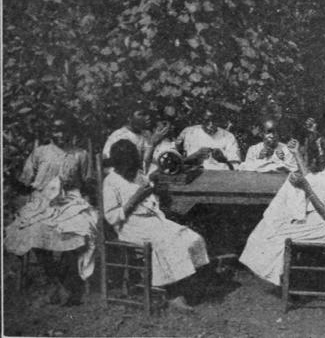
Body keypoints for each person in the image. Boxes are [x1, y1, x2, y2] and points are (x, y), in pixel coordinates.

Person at [102, 139, 210, 311]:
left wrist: (155, 191)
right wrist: (136, 198)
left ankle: (186, 283)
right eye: (127, 166)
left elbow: (151, 195)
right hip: (129, 225)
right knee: (167, 242)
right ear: (118, 164)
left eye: (132, 165)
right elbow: (111, 216)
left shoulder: (137, 174)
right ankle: (173, 293)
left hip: (152, 220)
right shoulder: (111, 181)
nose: (131, 170)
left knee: (191, 237)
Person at [239, 126, 325, 286]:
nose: (321, 153)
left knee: (271, 235)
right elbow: (312, 180)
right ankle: (283, 276)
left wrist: (305, 188)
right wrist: (296, 153)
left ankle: (286, 280)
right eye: (321, 148)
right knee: (269, 226)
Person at [5, 119, 98, 306]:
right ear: (50, 133)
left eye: (64, 130)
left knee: (78, 231)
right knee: (33, 231)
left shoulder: (80, 154)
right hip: (42, 202)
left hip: (71, 202)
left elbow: (87, 182)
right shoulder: (40, 152)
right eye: (56, 130)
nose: (60, 135)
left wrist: (86, 202)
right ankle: (54, 279)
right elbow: (26, 181)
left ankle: (65, 278)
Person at [102, 105, 169, 173]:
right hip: (122, 175)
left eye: (147, 114)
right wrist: (152, 143)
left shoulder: (145, 133)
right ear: (129, 117)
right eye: (141, 114)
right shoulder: (120, 136)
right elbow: (115, 167)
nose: (148, 117)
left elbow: (151, 158)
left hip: (139, 173)